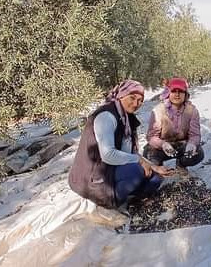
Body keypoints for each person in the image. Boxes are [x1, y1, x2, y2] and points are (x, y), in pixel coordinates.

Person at [68, 80, 174, 210]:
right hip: (91, 178)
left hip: (111, 169)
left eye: (140, 100)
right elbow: (108, 155)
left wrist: (154, 167)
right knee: (137, 170)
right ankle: (110, 201)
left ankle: (133, 198)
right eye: (132, 97)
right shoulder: (106, 116)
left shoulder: (126, 118)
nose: (136, 103)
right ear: (121, 95)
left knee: (156, 179)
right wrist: (140, 161)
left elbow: (129, 152)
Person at [144, 77, 204, 174]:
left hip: (182, 145)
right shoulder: (158, 110)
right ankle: (159, 169)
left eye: (180, 91)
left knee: (198, 153)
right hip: (163, 147)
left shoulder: (192, 111)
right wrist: (163, 144)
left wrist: (191, 145)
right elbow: (151, 136)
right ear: (169, 93)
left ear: (186, 94)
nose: (177, 94)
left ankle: (181, 164)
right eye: (174, 91)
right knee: (148, 155)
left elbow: (195, 135)